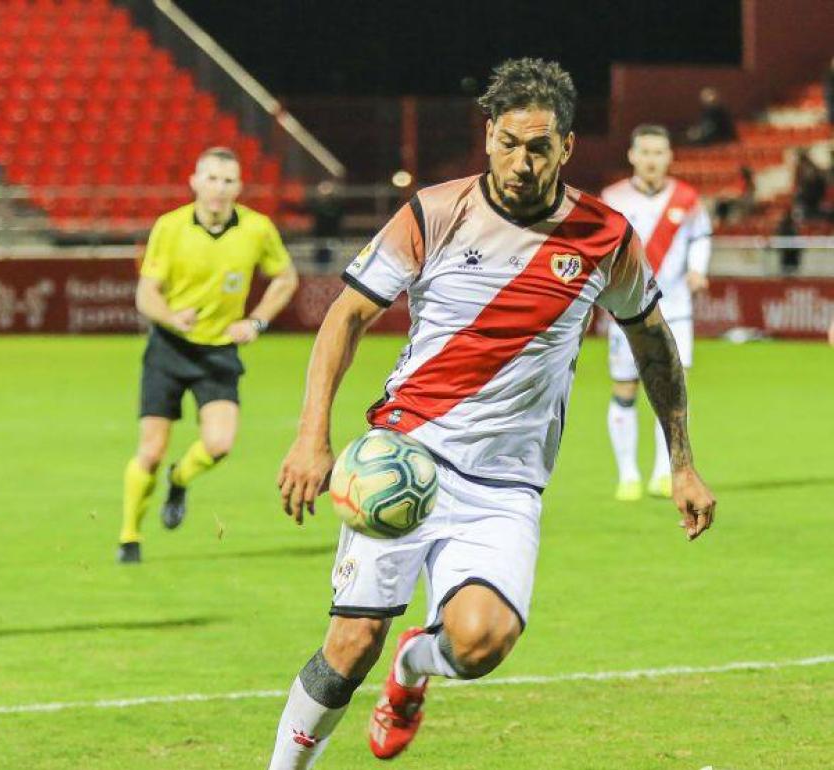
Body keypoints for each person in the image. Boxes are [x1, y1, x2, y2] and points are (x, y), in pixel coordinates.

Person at [266, 58, 716, 768]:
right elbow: (345, 318)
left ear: (567, 147)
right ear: (488, 137)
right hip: (403, 457)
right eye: (509, 142)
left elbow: (655, 346)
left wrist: (683, 463)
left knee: (481, 645)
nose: (522, 161)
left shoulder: (605, 238)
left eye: (540, 146)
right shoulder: (434, 213)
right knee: (349, 645)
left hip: (503, 488)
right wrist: (310, 437)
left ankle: (414, 668)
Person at [117, 146, 299, 563]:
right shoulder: (170, 227)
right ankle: (129, 538)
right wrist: (169, 317)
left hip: (218, 351)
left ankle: (179, 479)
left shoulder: (257, 229)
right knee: (150, 449)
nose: (219, 188)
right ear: (195, 182)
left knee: (218, 444)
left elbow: (285, 278)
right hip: (169, 347)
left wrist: (256, 322)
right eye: (212, 179)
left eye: (229, 180)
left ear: (239, 187)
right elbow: (146, 294)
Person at [601, 125, 712, 501]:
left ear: (670, 156)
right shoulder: (612, 197)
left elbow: (701, 237)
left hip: (675, 310)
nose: (652, 160)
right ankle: (627, 474)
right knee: (625, 388)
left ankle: (665, 473)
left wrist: (698, 268)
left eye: (659, 152)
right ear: (632, 155)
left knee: (673, 390)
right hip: (626, 311)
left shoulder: (688, 198)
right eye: (645, 152)